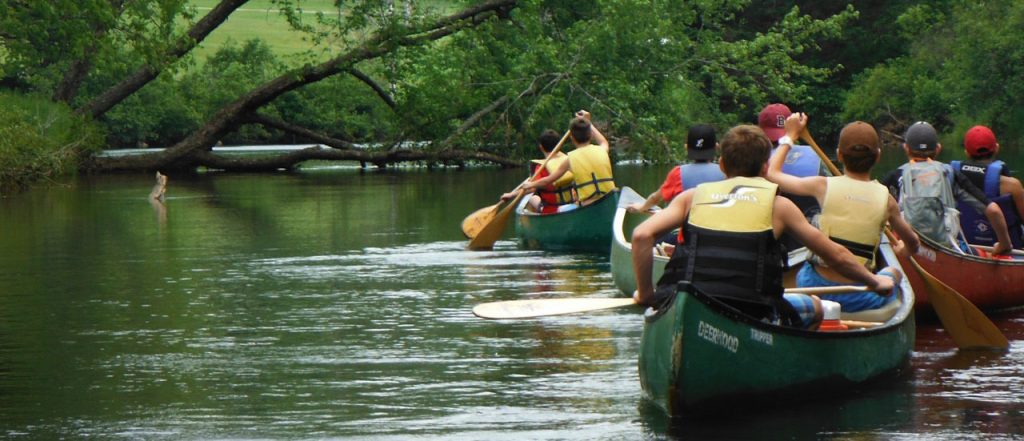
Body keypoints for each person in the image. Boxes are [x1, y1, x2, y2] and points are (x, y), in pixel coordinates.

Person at [631, 124, 896, 329]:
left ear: (722, 165)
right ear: (766, 166)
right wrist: (874, 281)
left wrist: (646, 293)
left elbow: (642, 236)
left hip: (692, 303)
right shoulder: (779, 206)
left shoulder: (690, 197)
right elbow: (835, 255)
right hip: (752, 309)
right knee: (816, 307)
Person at [766, 115, 918, 312]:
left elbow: (772, 173)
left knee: (804, 270)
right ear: (878, 156)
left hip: (813, 286)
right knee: (893, 272)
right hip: (857, 294)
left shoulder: (822, 185)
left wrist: (789, 137)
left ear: (839, 155)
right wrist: (903, 250)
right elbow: (913, 243)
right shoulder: (887, 200)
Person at [881, 121, 1012, 255]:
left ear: (906, 148)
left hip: (907, 247)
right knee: (986, 255)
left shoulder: (895, 176)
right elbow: (994, 211)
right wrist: (1004, 244)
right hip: (946, 249)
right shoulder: (950, 174)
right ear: (938, 149)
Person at [950, 125, 1024, 249]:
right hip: (1010, 252)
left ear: (967, 152)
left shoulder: (951, 180)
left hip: (966, 248)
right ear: (996, 148)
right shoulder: (1012, 186)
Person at [524, 110, 615, 211]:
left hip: (587, 204)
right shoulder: (602, 149)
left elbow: (548, 180)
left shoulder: (570, 159)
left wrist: (531, 184)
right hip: (609, 199)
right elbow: (603, 141)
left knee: (558, 209)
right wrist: (588, 122)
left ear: (572, 138)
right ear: (590, 135)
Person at [626, 124, 724, 214]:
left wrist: (642, 207)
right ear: (716, 147)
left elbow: (655, 198)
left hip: (687, 231)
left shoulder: (678, 173)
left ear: (686, 147)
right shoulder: (726, 171)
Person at [501, 129, 575, 213]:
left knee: (531, 197)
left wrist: (511, 195)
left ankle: (540, 210)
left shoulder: (541, 167)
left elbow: (531, 189)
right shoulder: (567, 160)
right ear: (559, 145)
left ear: (541, 147)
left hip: (551, 209)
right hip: (570, 204)